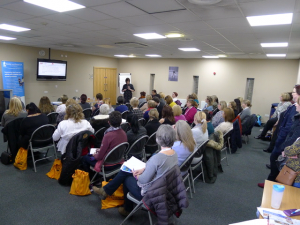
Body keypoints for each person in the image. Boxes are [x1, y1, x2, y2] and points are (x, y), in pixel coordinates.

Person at [92, 125, 178, 216]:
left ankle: (126, 208)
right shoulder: (174, 154)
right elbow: (160, 168)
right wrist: (144, 168)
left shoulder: (157, 158)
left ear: (158, 139)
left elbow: (142, 180)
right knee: (126, 173)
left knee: (126, 176)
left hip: (150, 195)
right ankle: (108, 192)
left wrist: (136, 174)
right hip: (164, 191)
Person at [258, 87, 299, 188]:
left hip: (284, 141)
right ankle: (271, 181)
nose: (292, 94)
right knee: (275, 160)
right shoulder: (293, 105)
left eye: (293, 92)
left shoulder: (295, 108)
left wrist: (283, 145)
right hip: (281, 137)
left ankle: (271, 183)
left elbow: (290, 130)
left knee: (276, 160)